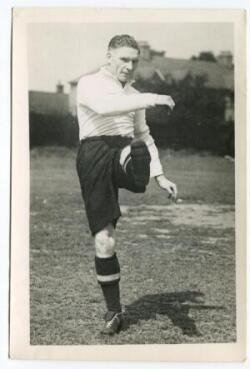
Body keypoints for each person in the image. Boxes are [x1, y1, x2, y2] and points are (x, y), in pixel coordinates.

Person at [76, 34, 178, 335]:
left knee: (135, 147)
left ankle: (137, 172)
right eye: (124, 59)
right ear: (109, 56)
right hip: (94, 153)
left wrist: (161, 176)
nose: (129, 65)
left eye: (134, 61)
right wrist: (154, 98)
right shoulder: (88, 83)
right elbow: (106, 108)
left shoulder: (134, 94)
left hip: (123, 149)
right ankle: (113, 311)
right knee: (104, 241)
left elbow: (144, 135)